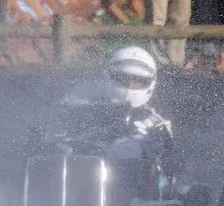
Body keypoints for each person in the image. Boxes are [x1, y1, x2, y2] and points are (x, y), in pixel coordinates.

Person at [57, 47, 175, 178]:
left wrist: (143, 143)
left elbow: (170, 161)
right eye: (123, 78)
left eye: (137, 81)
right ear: (109, 76)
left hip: (130, 189)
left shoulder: (155, 122)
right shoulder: (85, 105)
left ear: (150, 82)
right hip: (79, 177)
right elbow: (58, 133)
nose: (130, 85)